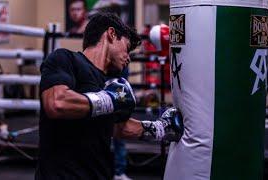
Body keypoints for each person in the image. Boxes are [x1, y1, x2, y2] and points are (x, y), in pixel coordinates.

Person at [35, 12, 184, 180]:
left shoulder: (110, 83)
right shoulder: (65, 59)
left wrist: (159, 128)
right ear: (111, 34)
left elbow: (119, 128)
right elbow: (57, 103)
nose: (128, 58)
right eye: (127, 49)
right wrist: (109, 99)